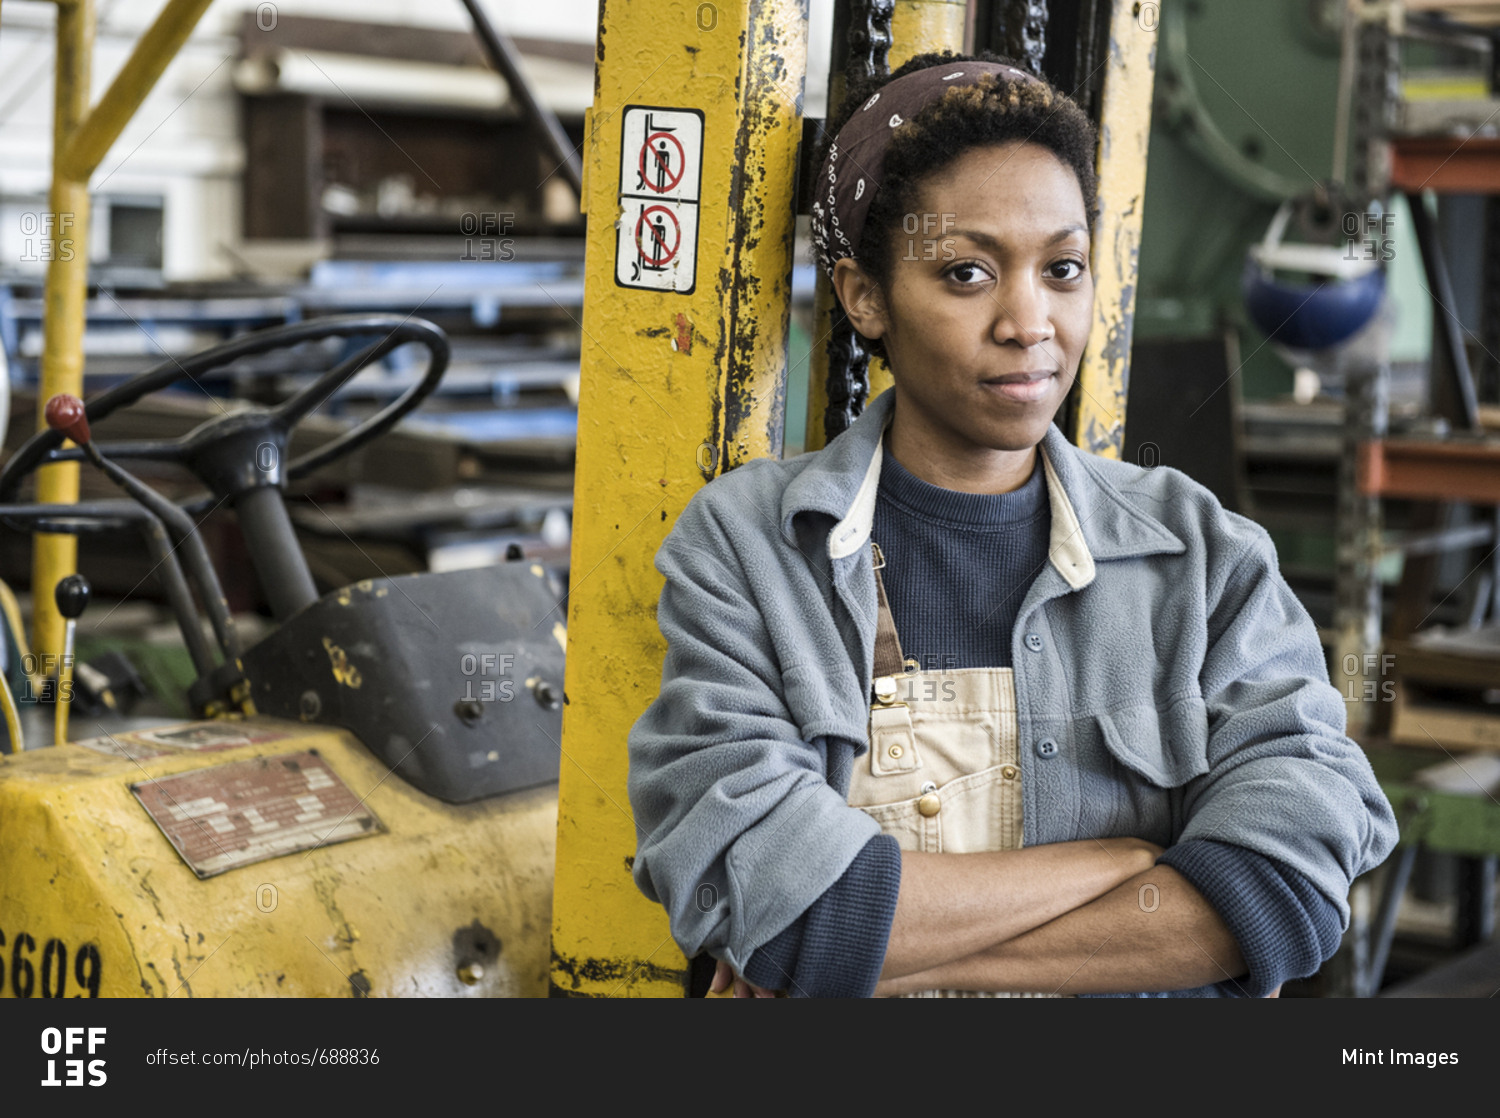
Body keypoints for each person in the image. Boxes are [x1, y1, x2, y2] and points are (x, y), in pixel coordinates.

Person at [626, 50, 1398, 998]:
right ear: (865, 296)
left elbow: (1283, 888)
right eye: (966, 274)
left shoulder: (1200, 557)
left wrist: (877, 974)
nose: (1030, 322)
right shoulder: (747, 551)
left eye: (1063, 268)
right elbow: (786, 908)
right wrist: (1126, 864)